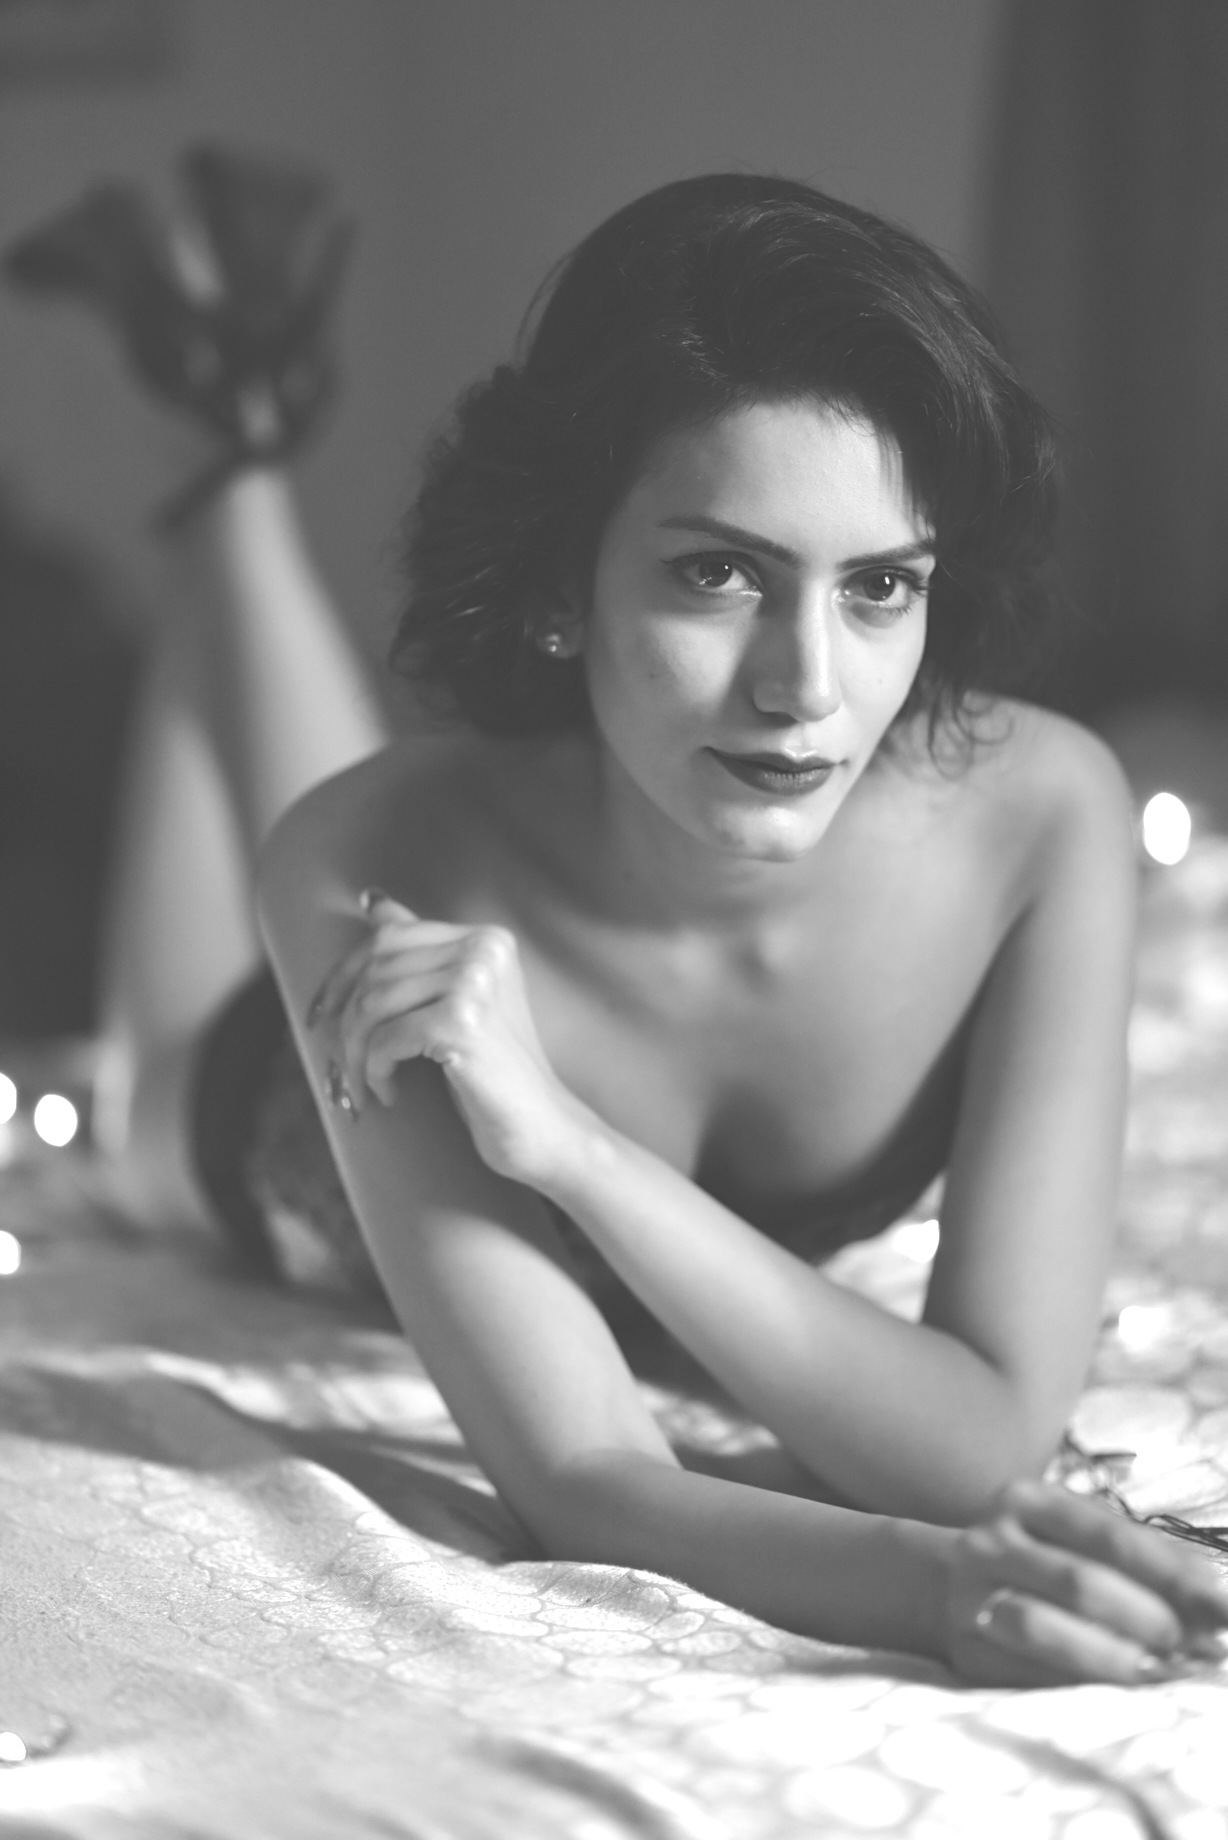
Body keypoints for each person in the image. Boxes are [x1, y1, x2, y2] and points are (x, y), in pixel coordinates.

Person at [13, 164, 1226, 1684]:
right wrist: (933, 1593)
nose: (807, 686)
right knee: (170, 1045)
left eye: (878, 588)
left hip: (481, 938)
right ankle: (230, 467)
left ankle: (233, 411)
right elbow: (579, 1471)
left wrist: (573, 1149)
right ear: (562, 580)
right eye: (719, 574)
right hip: (274, 1116)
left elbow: (981, 1442)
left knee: (369, 829)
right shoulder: (364, 856)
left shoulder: (1046, 816)